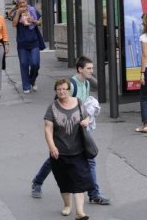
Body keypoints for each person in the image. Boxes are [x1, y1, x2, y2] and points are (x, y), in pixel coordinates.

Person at [31, 57, 111, 206]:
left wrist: (86, 119)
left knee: (90, 160)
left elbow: (83, 107)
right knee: (55, 159)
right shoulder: (71, 85)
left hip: (79, 130)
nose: (91, 71)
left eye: (92, 68)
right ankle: (37, 182)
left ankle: (93, 193)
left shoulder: (86, 83)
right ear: (79, 69)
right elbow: (57, 105)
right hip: (64, 131)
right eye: (89, 68)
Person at [44, 78, 93, 220]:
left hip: (78, 150)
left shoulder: (78, 102)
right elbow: (48, 129)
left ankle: (80, 212)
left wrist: (86, 121)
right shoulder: (52, 107)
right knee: (64, 180)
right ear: (55, 91)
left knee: (79, 181)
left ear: (69, 90)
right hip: (60, 151)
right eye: (59, 89)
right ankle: (67, 205)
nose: (61, 92)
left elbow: (86, 118)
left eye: (64, 89)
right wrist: (52, 147)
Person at [11, 0, 41, 93]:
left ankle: (32, 80)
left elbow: (40, 22)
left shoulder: (32, 10)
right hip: (22, 43)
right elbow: (14, 24)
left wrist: (33, 20)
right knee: (24, 64)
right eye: (20, 3)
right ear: (18, 4)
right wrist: (18, 13)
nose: (23, 5)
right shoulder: (16, 12)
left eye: (24, 2)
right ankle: (26, 85)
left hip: (34, 41)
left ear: (26, 2)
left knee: (35, 63)